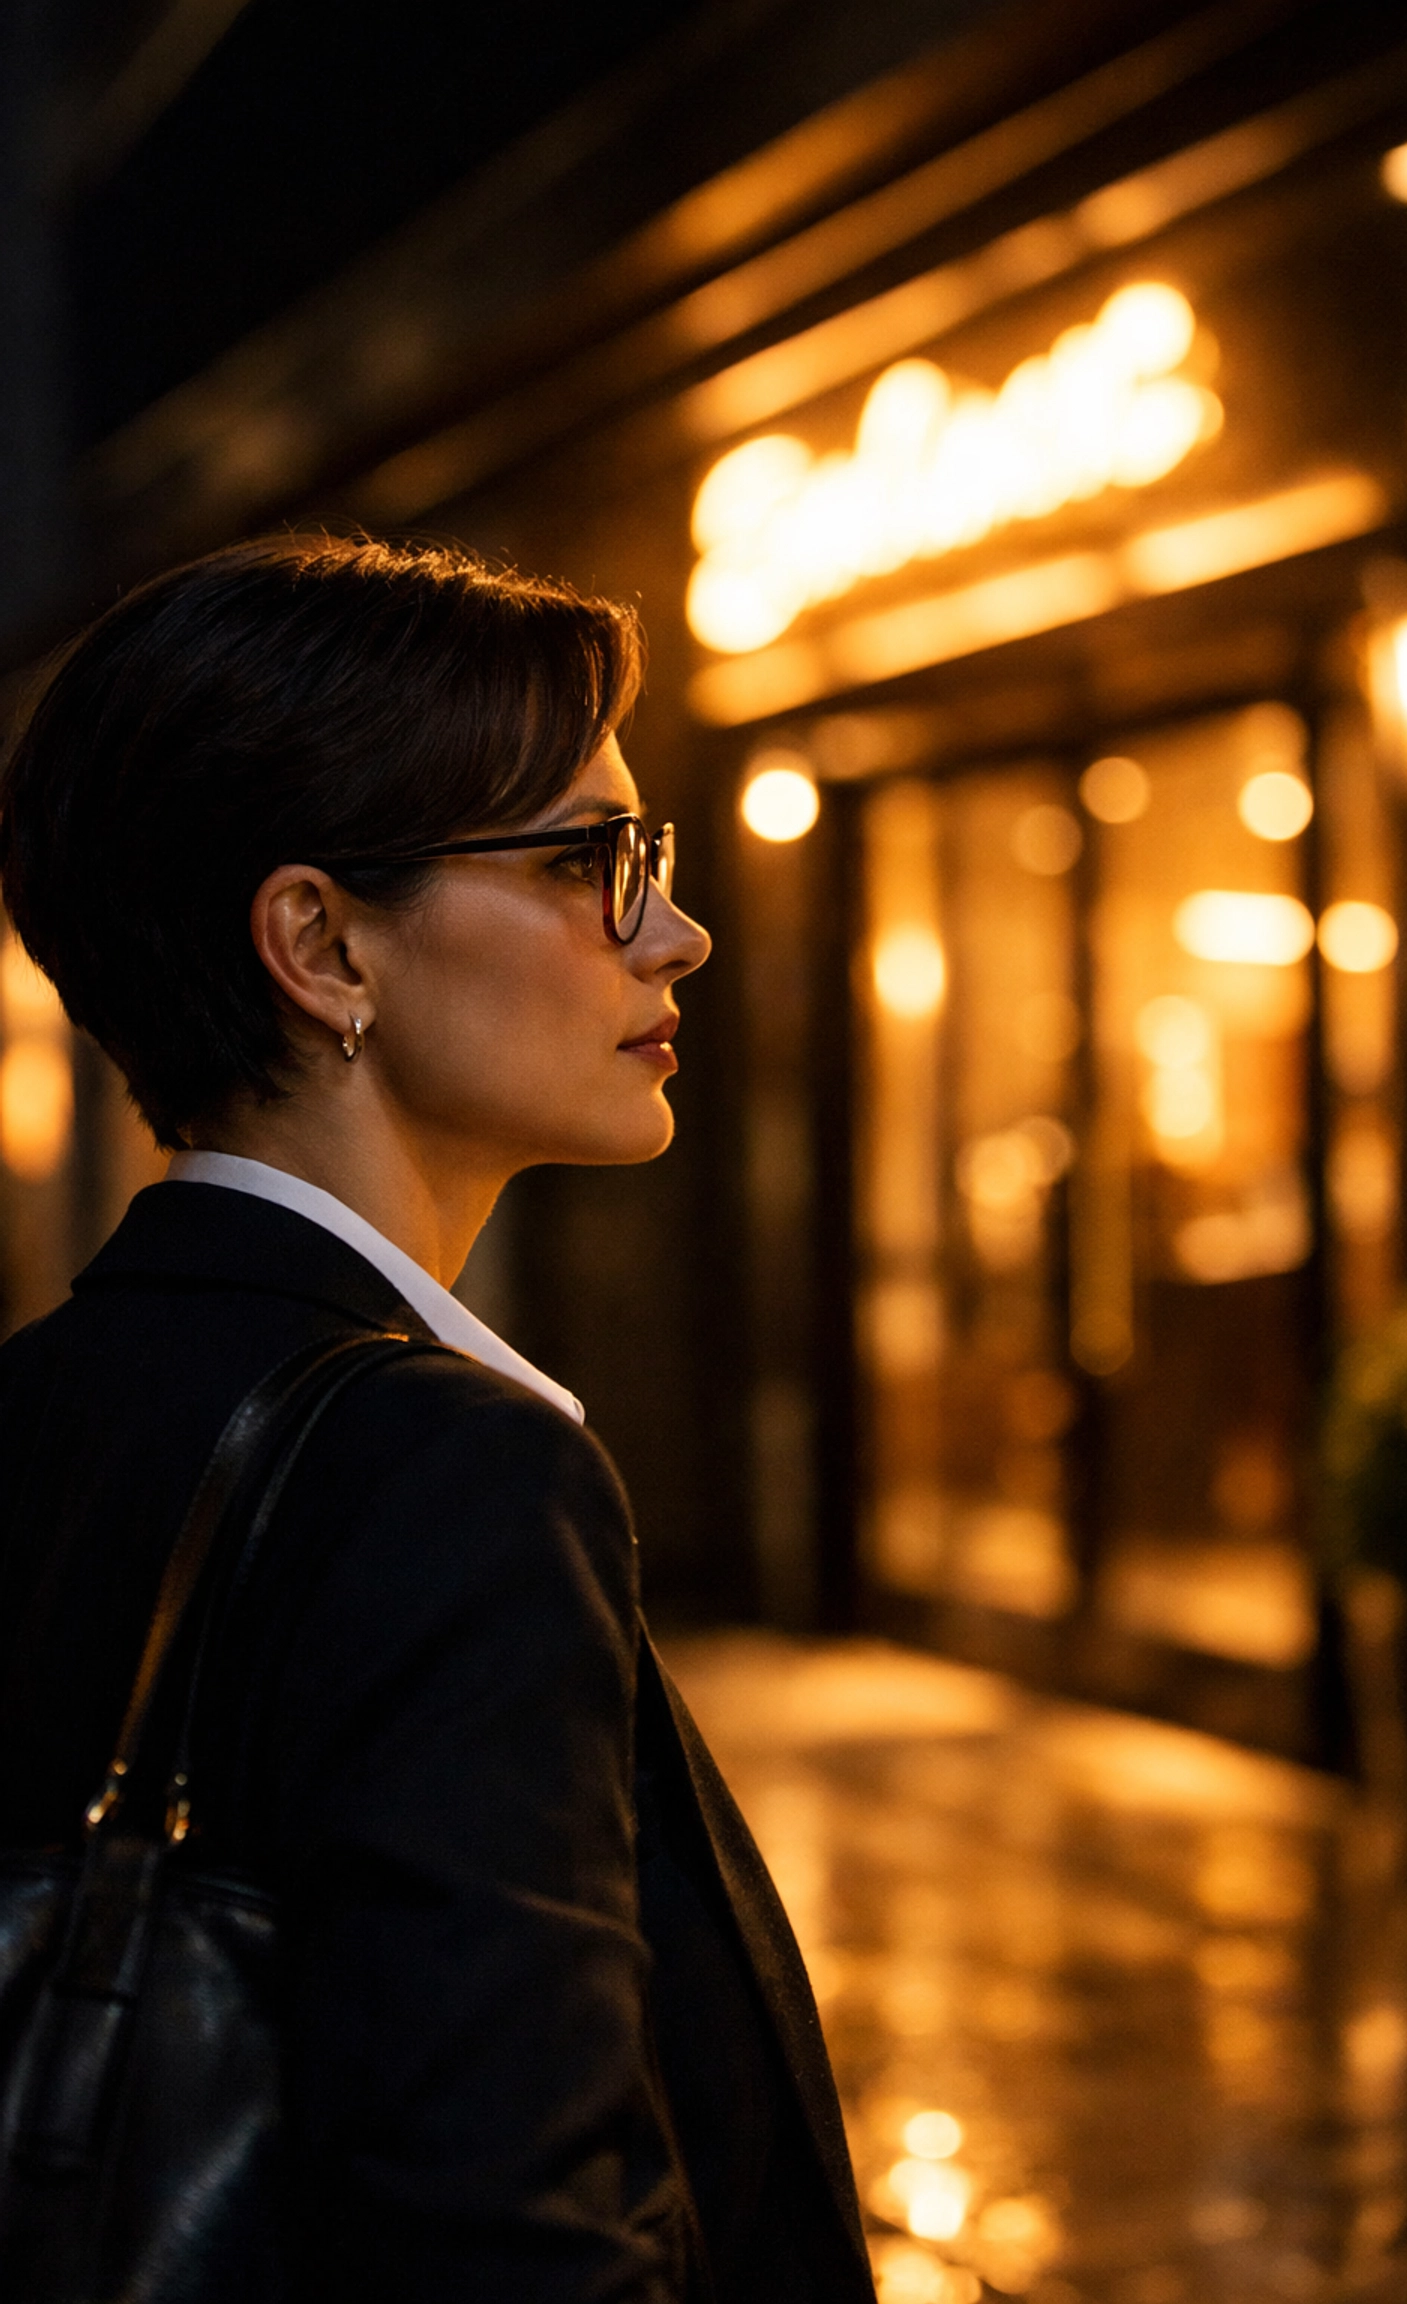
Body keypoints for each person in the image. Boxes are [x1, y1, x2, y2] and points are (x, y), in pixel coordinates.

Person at [0, 535, 877, 2302]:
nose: (675, 931)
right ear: (321, 943)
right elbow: (509, 2232)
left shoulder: (45, 1402)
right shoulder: (446, 1470)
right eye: (589, 859)